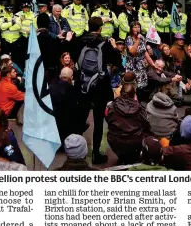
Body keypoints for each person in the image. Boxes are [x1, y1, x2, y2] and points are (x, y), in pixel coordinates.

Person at [78, 17, 122, 164]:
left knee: (81, 118)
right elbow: (117, 62)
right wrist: (115, 47)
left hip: (83, 84)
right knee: (98, 121)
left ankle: (76, 150)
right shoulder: (105, 43)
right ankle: (96, 154)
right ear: (100, 28)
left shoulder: (81, 40)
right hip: (100, 85)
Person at [105, 82, 151, 165]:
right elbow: (146, 124)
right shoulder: (140, 109)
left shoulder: (111, 106)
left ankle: (123, 157)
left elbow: (108, 119)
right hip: (135, 141)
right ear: (134, 95)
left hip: (115, 140)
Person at [49, 67, 85, 144]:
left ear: (60, 76)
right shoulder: (72, 90)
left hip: (52, 125)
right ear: (71, 78)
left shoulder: (51, 88)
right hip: (67, 129)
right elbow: (76, 110)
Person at [126, 21, 155, 96]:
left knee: (142, 86)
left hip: (141, 65)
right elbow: (132, 51)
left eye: (138, 27)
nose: (137, 29)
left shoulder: (143, 38)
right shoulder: (129, 38)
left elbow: (145, 53)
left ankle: (140, 102)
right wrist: (138, 40)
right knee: (133, 85)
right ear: (131, 29)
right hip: (132, 65)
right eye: (135, 27)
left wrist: (153, 64)